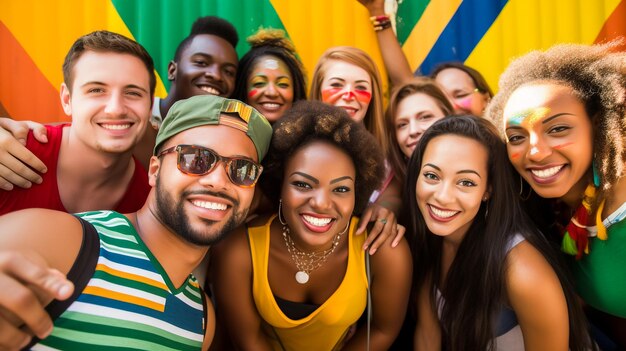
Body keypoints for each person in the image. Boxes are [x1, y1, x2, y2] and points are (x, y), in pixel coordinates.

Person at [0, 94, 273, 350]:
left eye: (242, 169)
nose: (217, 181)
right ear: (154, 170)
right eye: (195, 158)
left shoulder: (201, 319)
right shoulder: (66, 239)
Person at [209, 101, 412, 351]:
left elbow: (383, 330)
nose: (321, 203)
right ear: (280, 183)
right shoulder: (239, 250)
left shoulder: (383, 251)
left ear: (357, 195)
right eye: (303, 184)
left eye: (340, 189)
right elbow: (249, 341)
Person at [405, 115, 593, 350]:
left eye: (466, 182)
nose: (442, 196)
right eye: (432, 176)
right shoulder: (429, 241)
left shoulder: (521, 269)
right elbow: (427, 335)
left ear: (488, 189)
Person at [485, 40, 626, 349]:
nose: (534, 152)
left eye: (558, 129)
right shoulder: (547, 210)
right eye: (516, 137)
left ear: (598, 126)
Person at [0, 16, 240, 190]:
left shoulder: (222, 137)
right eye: (200, 62)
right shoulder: (27, 156)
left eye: (228, 71)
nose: (216, 75)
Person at [0, 30, 154, 215]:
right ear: (67, 100)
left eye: (133, 93)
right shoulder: (12, 155)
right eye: (96, 90)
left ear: (151, 104)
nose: (116, 109)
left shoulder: (153, 198)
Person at [310, 46, 404, 252]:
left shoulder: (388, 152)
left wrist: (385, 208)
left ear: (372, 97)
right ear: (318, 90)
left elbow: (394, 196)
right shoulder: (294, 146)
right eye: (336, 84)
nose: (349, 94)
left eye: (360, 87)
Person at [355, 0, 492, 117]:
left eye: (460, 95)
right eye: (441, 99)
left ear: (486, 100)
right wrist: (376, 10)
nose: (451, 105)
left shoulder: (507, 139)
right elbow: (405, 83)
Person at [385, 77, 454, 184]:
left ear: (449, 118)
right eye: (402, 124)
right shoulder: (395, 194)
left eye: (425, 117)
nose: (413, 131)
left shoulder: (481, 165)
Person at [232, 28, 307, 124]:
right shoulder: (226, 135)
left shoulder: (310, 137)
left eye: (282, 84)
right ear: (243, 89)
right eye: (259, 83)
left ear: (296, 92)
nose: (272, 92)